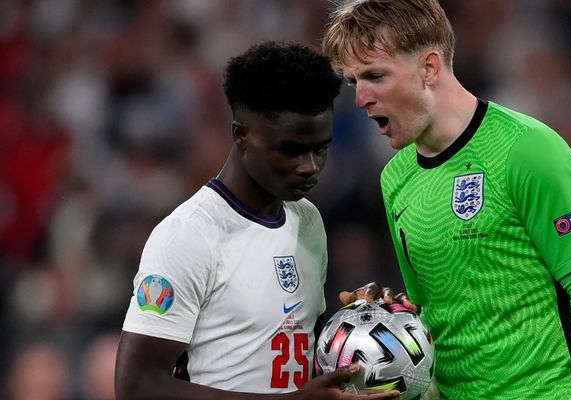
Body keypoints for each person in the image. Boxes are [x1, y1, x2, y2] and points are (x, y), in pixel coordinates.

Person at [322, 0, 571, 400]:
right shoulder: (395, 178)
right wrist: (388, 326)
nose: (361, 97)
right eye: (353, 82)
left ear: (429, 68)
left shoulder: (528, 150)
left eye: (375, 76)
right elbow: (436, 324)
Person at [115, 41, 399, 400]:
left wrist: (360, 326)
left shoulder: (308, 221)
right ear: (241, 134)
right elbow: (136, 386)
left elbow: (284, 355)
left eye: (321, 148)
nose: (310, 166)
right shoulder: (188, 236)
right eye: (291, 150)